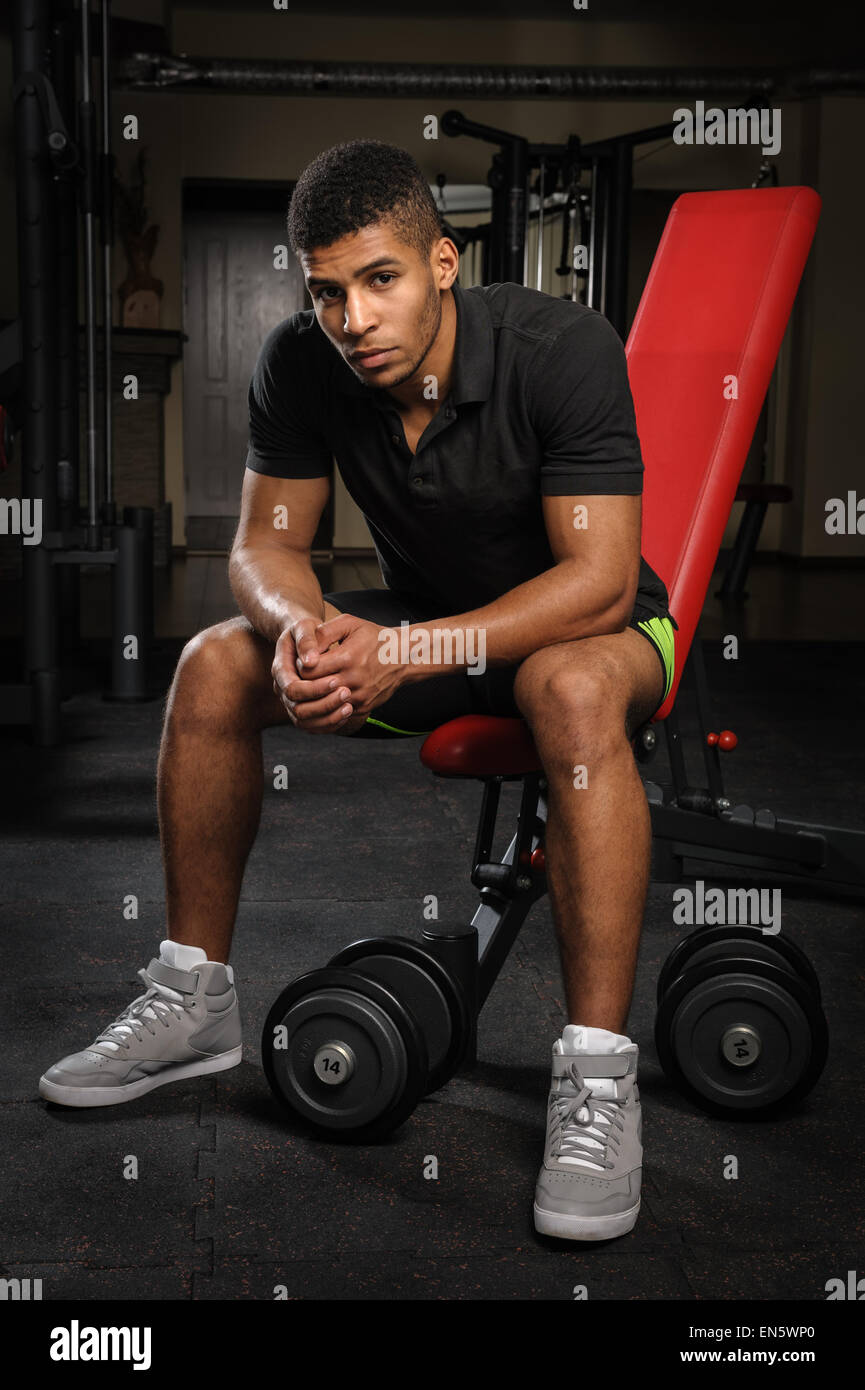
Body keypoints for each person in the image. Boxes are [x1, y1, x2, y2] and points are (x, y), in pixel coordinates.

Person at [40, 139, 678, 1244]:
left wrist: (411, 649)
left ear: (440, 262)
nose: (353, 318)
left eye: (379, 279)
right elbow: (263, 547)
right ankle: (194, 1002)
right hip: (430, 635)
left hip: (599, 634)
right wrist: (304, 630)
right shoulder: (301, 362)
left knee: (567, 684)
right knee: (214, 662)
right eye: (326, 291)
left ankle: (594, 1081)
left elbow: (600, 581)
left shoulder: (559, 348)